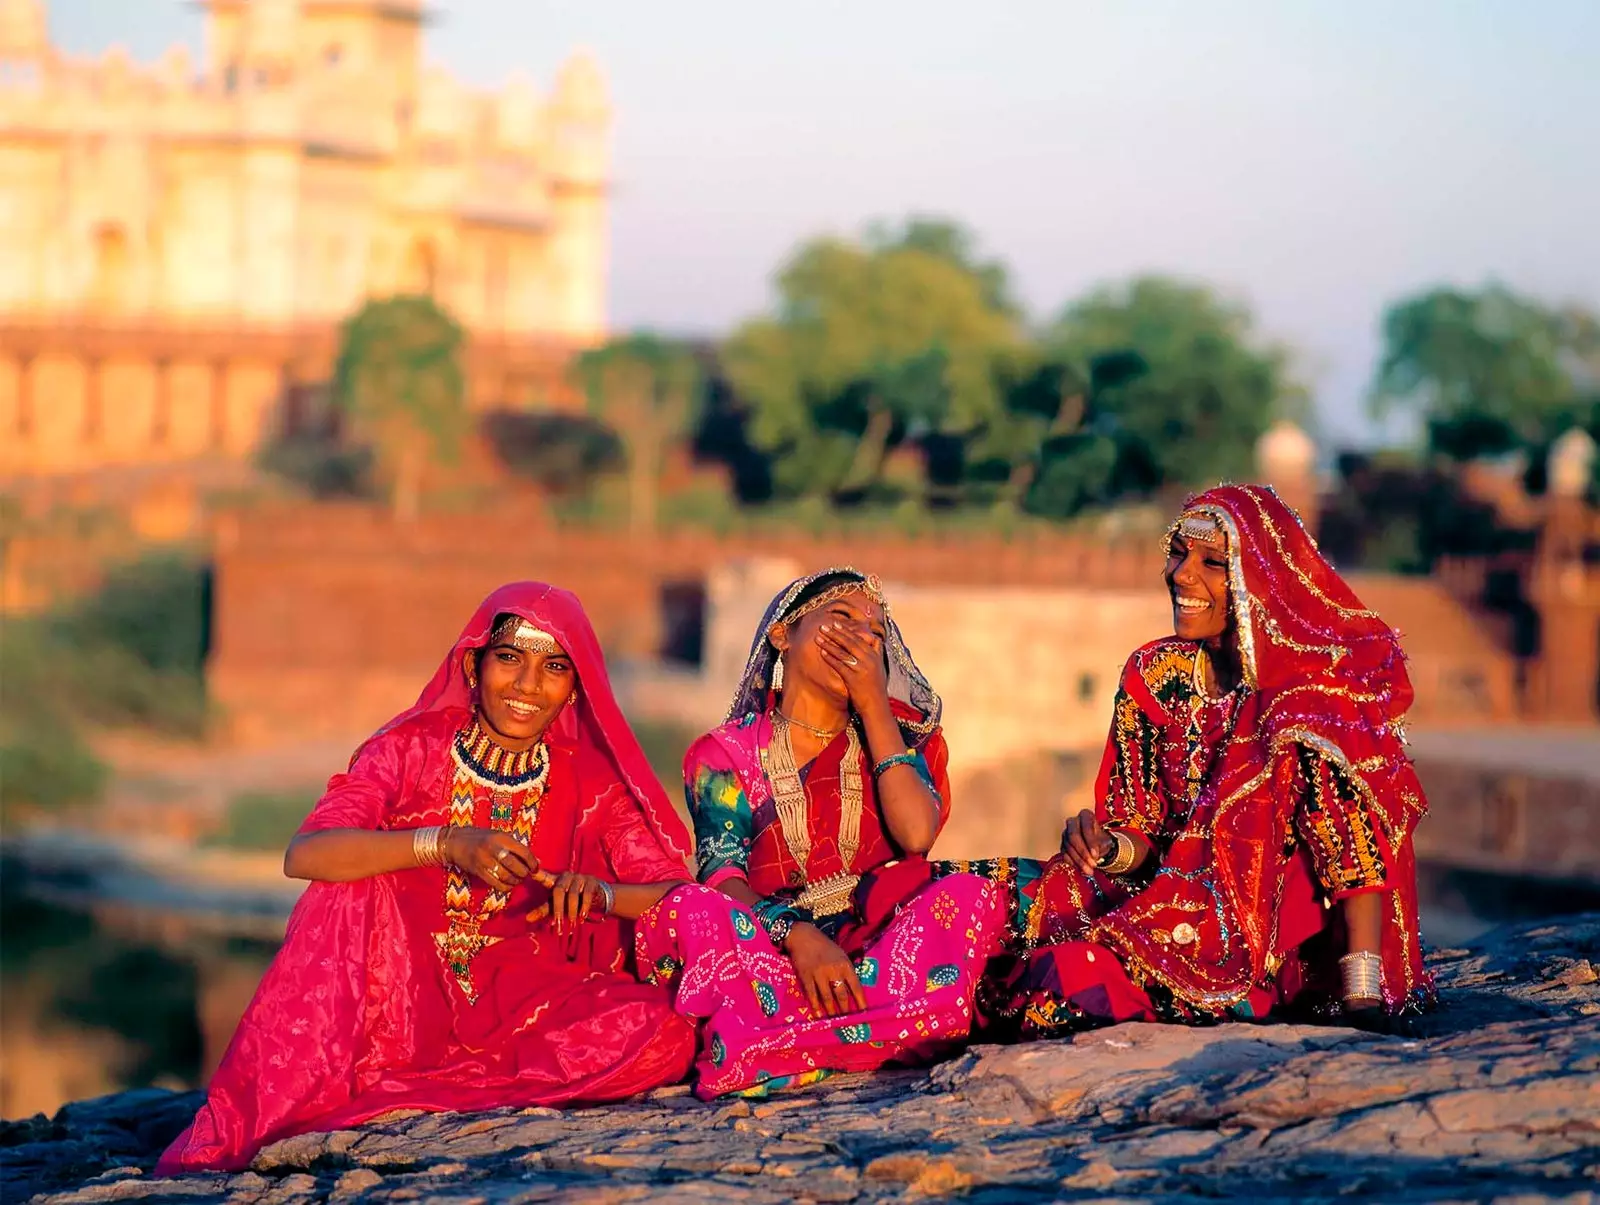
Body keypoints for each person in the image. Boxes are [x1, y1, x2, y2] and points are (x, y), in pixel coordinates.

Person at [158, 583, 698, 1174]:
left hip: (531, 1000)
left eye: (554, 668)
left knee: (665, 1033)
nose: (527, 686)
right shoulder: (409, 750)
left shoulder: (590, 781)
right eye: (510, 658)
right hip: (403, 993)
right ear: (474, 663)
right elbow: (307, 854)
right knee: (348, 888)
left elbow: (675, 894)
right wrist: (441, 843)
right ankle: (348, 1087)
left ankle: (428, 1086)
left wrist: (601, 893)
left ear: (575, 687)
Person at [1004, 484, 1434, 1035]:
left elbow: (1354, 851)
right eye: (1179, 553)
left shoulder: (1306, 702)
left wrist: (1362, 1001)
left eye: (1213, 562)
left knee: (1054, 981)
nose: (1182, 574)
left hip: (1244, 956)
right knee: (977, 901)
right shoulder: (1155, 675)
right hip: (1156, 903)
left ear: (1260, 582)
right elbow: (1144, 833)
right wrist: (1108, 848)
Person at [633, 568, 1008, 1098]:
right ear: (782, 635)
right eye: (842, 620)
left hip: (877, 938)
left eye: (875, 633)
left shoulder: (893, 739)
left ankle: (790, 1044)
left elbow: (917, 836)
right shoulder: (722, 755)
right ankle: (881, 1032)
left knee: (967, 893)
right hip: (771, 945)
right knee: (698, 912)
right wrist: (797, 935)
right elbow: (721, 877)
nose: (861, 639)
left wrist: (875, 704)